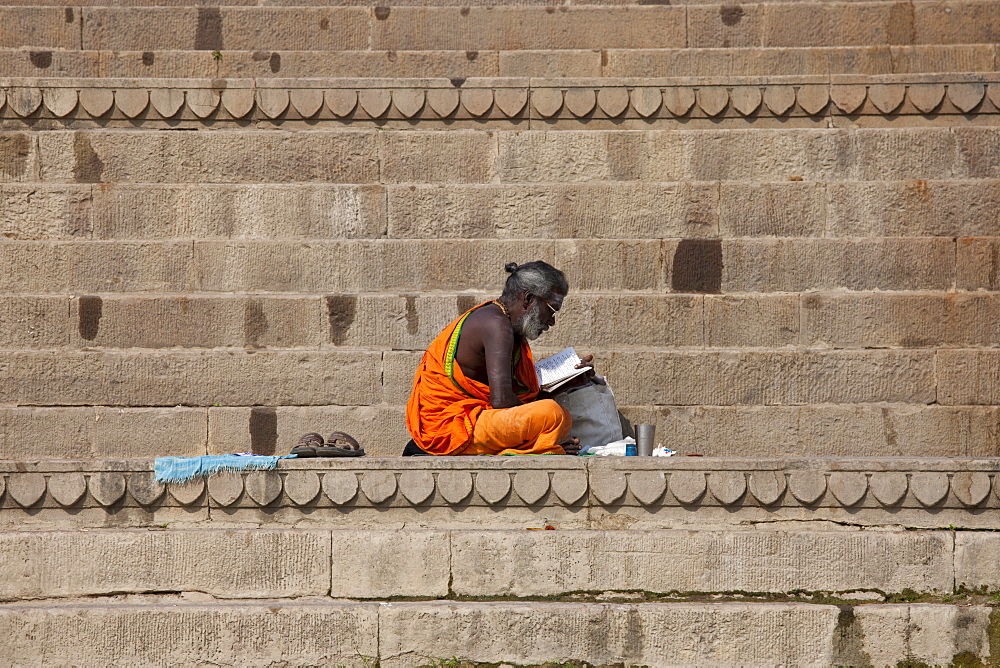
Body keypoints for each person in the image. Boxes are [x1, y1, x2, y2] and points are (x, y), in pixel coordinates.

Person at [405, 261, 592, 456]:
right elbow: (502, 401)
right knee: (551, 414)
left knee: (562, 417)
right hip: (449, 428)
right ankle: (540, 446)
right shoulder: (496, 324)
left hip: (474, 419)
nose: (551, 321)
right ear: (528, 299)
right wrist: (540, 426)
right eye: (552, 310)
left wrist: (568, 382)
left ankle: (538, 445)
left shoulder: (506, 324)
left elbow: (512, 403)